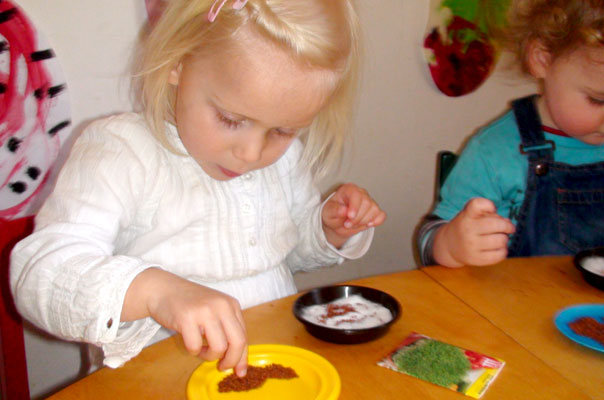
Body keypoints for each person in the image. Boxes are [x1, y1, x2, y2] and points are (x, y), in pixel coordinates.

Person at [10, 0, 386, 377]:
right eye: (231, 119)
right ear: (178, 61)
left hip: (269, 369)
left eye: (283, 131)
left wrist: (325, 229)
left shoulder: (283, 161)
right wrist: (155, 292)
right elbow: (39, 275)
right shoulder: (121, 152)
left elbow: (287, 252)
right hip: (154, 382)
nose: (251, 153)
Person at [417, 0, 604, 268]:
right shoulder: (494, 152)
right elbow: (428, 238)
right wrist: (451, 245)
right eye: (598, 100)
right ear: (542, 59)